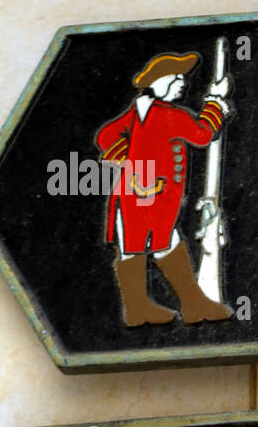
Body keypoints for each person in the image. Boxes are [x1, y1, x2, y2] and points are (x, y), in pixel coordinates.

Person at [95, 51, 234, 325]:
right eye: (176, 78)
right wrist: (215, 101)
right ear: (159, 82)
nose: (182, 83)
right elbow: (203, 134)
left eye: (182, 77)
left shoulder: (137, 112)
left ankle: (174, 306)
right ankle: (151, 308)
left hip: (135, 196)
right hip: (153, 199)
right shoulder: (165, 115)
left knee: (154, 246)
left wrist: (127, 156)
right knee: (154, 246)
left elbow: (106, 135)